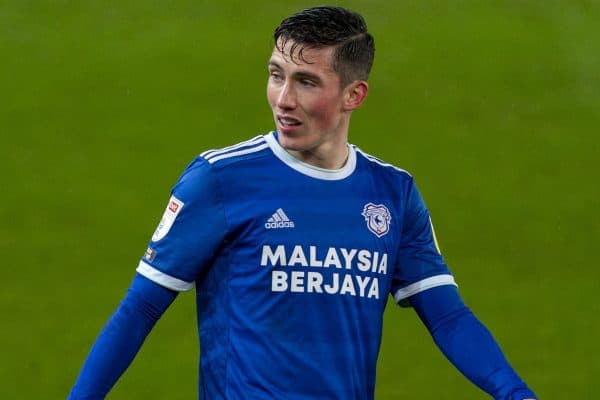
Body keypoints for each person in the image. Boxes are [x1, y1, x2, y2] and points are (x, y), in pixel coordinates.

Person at [68, 6, 537, 400]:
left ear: (354, 94)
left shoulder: (392, 194)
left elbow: (448, 315)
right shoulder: (220, 179)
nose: (283, 99)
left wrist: (515, 393)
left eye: (307, 82)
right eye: (277, 75)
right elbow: (141, 309)